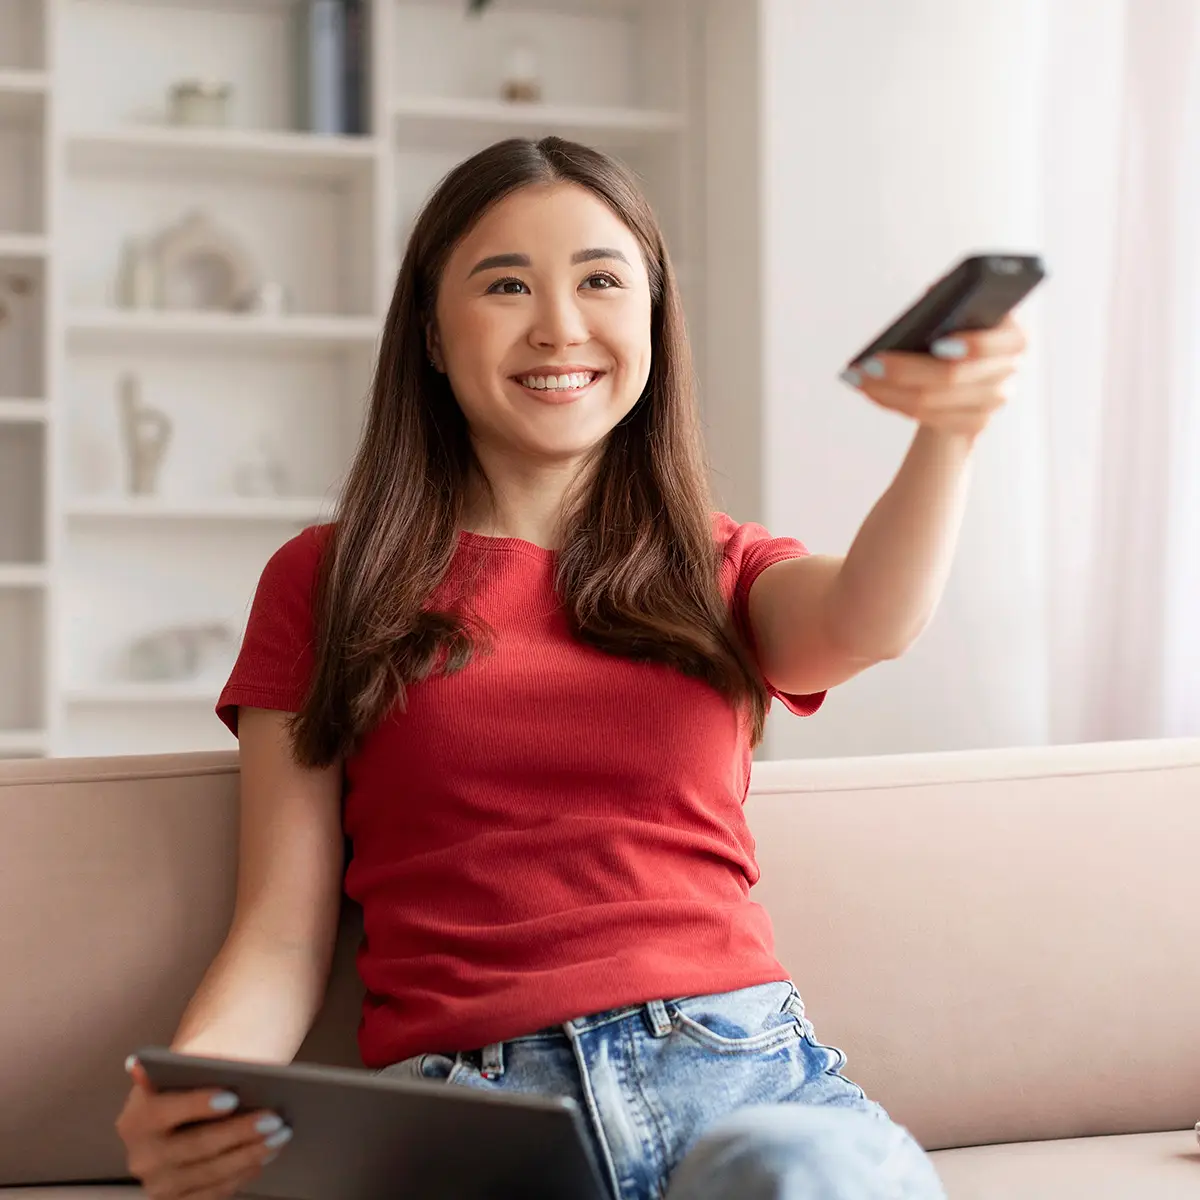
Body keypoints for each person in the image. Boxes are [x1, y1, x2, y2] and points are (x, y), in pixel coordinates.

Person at [116, 136, 1027, 1200]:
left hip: (741, 1084)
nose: (560, 325)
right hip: (472, 1121)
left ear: (651, 318)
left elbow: (871, 619)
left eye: (601, 279)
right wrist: (192, 1094)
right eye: (506, 284)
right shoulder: (324, 581)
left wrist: (946, 437)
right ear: (431, 332)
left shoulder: (721, 568)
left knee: (800, 1172)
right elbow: (279, 936)